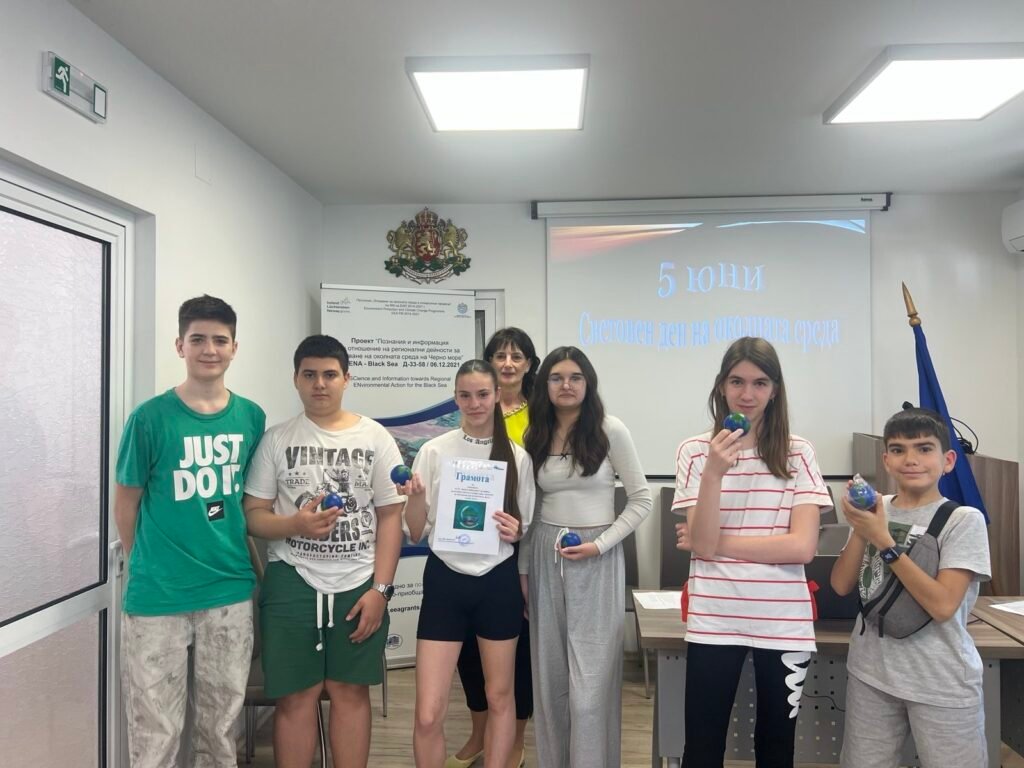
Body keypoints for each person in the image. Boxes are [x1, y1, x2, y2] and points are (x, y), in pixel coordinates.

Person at [114, 294, 266, 768]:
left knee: (220, 731)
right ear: (180, 345)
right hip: (158, 599)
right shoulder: (149, 419)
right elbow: (126, 504)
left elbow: (249, 502)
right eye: (198, 339)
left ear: (234, 347)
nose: (209, 349)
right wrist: (148, 564)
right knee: (155, 734)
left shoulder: (251, 417)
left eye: (220, 340)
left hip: (229, 593)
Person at [243, 334, 404, 768]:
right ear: (295, 379)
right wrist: (294, 525)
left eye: (330, 374)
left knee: (350, 691)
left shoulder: (375, 437)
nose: (319, 383)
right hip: (292, 580)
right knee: (297, 696)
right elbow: (253, 515)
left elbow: (391, 516)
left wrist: (381, 590)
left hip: (359, 583)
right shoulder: (277, 440)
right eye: (309, 374)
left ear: (346, 378)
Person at [672, 336, 830, 767]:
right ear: (722, 386)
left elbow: (802, 547)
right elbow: (702, 544)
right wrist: (713, 474)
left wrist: (714, 544)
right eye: (737, 382)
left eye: (760, 383)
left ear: (775, 390)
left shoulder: (799, 452)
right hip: (714, 618)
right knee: (701, 750)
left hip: (783, 622)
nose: (747, 394)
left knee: (777, 750)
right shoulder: (695, 452)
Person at [830, 408, 991, 768]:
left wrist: (884, 541)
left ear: (948, 461)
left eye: (924, 448)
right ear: (886, 460)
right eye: (898, 450)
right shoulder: (876, 508)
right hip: (871, 674)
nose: (911, 459)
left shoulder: (964, 521)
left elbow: (943, 606)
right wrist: (862, 527)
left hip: (940, 679)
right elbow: (841, 584)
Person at [401, 359, 536, 768]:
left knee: (500, 698)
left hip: (497, 583)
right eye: (465, 395)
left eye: (482, 394)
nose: (474, 403)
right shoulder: (434, 451)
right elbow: (414, 531)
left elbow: (524, 527)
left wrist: (515, 529)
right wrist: (415, 499)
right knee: (428, 713)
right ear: (455, 398)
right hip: (446, 583)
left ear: (496, 396)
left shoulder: (518, 457)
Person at [522, 346, 652, 768]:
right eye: (556, 377)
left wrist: (601, 544)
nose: (566, 385)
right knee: (550, 680)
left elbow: (641, 500)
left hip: (597, 558)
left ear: (588, 383)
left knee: (590, 690)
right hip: (545, 556)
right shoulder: (535, 433)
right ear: (544, 385)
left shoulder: (610, 429)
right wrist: (524, 572)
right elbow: (531, 510)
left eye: (575, 377)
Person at [447, 328, 539, 768]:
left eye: (516, 356)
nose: (508, 363)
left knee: (516, 650)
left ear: (528, 364)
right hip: (469, 544)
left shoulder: (540, 415)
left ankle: (514, 736)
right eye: (499, 355)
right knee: (468, 648)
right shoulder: (474, 410)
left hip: (521, 540)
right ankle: (479, 732)